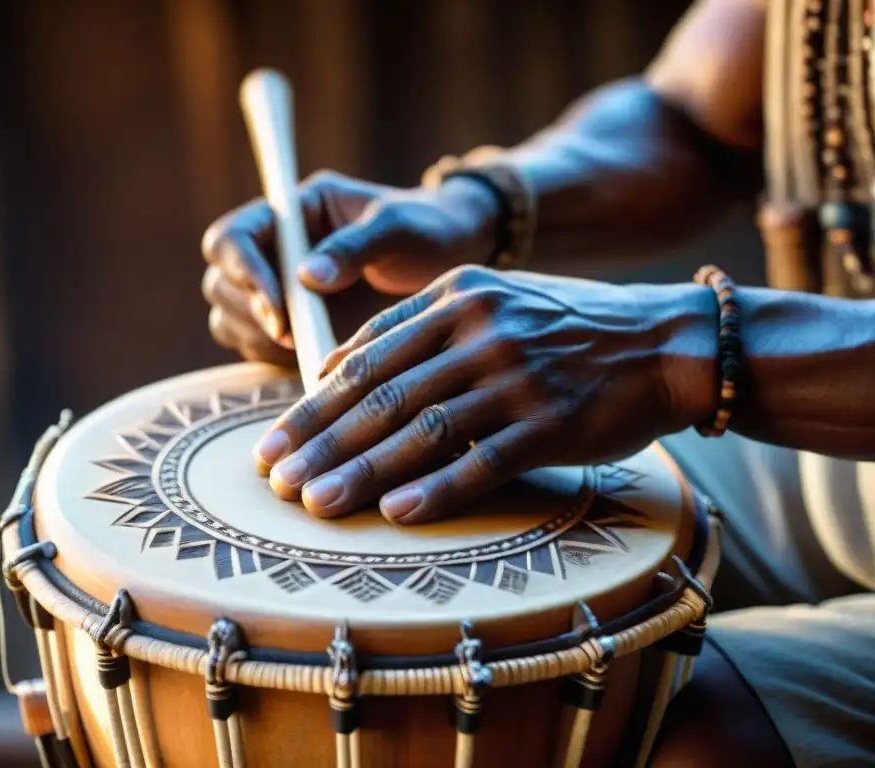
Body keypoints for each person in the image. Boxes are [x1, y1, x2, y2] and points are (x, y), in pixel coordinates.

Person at [201, 0, 875, 765]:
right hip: (828, 459)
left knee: (636, 723)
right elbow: (692, 117)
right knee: (463, 576)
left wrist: (667, 350)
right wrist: (475, 207)